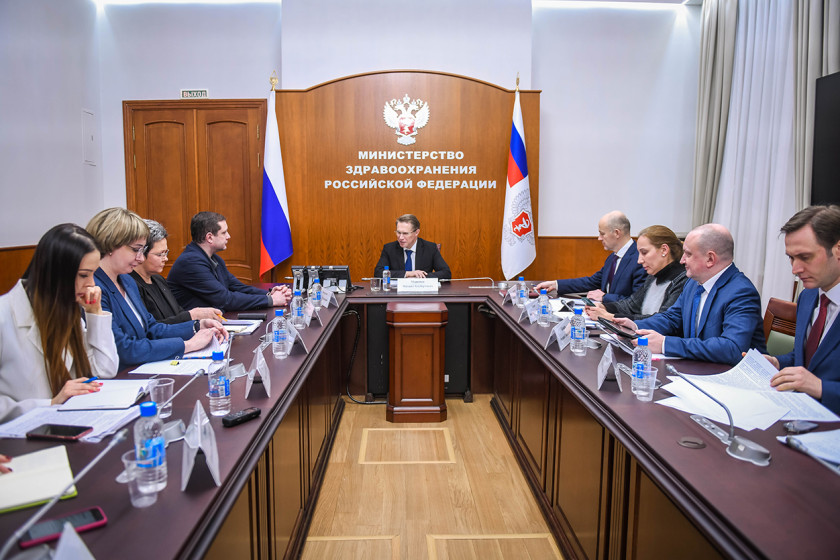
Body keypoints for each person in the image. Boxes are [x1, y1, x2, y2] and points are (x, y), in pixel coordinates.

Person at [0, 224, 118, 422]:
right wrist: (50, 404)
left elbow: (105, 370)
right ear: (56, 273)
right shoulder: (4, 316)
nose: (92, 284)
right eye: (84, 275)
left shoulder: (67, 311)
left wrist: (95, 314)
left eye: (93, 274)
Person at [86, 208, 227, 369]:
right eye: (135, 250)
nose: (140, 258)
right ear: (111, 245)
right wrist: (188, 345)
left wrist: (196, 326)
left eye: (142, 250)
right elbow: (123, 348)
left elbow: (152, 329)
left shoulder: (127, 281)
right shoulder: (94, 288)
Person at [615, 224, 766, 365]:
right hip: (699, 368)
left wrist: (665, 344)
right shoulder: (693, 283)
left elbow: (732, 348)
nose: (682, 260)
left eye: (688, 254)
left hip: (730, 376)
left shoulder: (741, 292)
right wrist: (635, 326)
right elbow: (671, 318)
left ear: (710, 259)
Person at [765, 205, 840, 413]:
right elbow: (809, 360)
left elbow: (815, 378)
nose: (795, 269)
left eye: (805, 257)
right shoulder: (808, 296)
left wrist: (821, 388)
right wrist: (778, 363)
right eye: (791, 258)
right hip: (799, 414)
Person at [167, 212, 290, 311]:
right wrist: (272, 300)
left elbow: (237, 287)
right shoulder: (191, 262)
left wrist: (269, 294)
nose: (228, 236)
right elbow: (225, 299)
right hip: (195, 328)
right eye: (224, 232)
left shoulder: (214, 259)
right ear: (209, 237)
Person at [536, 211, 646, 303]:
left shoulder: (640, 260)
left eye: (602, 234)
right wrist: (555, 284)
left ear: (617, 233)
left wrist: (604, 297)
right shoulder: (612, 258)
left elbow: (636, 303)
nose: (599, 238)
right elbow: (592, 282)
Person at [585, 225, 687, 321]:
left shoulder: (682, 280)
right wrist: (604, 307)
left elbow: (662, 321)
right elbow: (631, 305)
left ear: (664, 250)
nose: (639, 261)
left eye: (644, 253)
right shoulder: (653, 277)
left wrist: (610, 316)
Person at [130, 219, 222, 324]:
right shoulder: (130, 284)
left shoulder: (158, 279)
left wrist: (200, 322)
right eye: (160, 254)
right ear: (140, 253)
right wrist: (191, 315)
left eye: (166, 253)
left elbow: (177, 313)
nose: (165, 259)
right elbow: (151, 328)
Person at [373, 214, 451, 279]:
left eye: (405, 233)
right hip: (397, 292)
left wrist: (420, 277)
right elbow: (378, 273)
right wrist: (407, 274)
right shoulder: (389, 248)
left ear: (416, 232)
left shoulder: (430, 248)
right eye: (398, 233)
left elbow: (446, 273)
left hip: (422, 292)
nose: (400, 237)